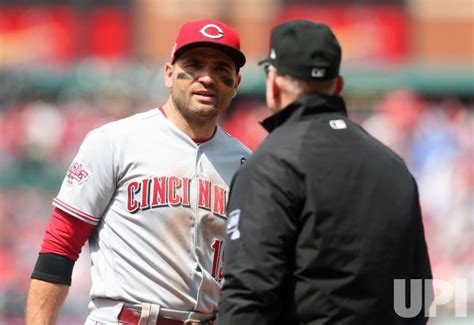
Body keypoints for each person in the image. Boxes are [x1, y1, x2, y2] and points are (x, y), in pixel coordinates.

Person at [26, 19, 251, 325]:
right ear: (169, 74)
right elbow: (60, 246)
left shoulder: (247, 165)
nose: (207, 78)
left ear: (236, 84)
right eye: (194, 65)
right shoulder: (116, 142)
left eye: (221, 69)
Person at [217, 20, 433, 324]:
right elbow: (417, 291)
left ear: (274, 82)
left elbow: (249, 293)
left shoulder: (272, 163)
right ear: (338, 86)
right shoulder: (393, 166)